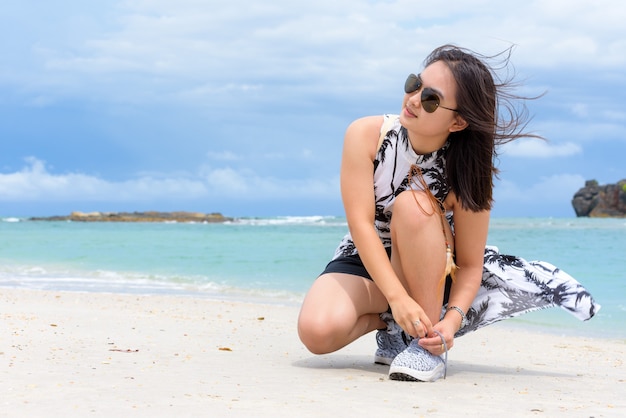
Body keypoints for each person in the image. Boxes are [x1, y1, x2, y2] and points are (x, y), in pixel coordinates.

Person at [297, 44, 600, 382]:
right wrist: (396, 300)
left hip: (430, 265)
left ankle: (425, 346)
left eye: (430, 99)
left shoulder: (468, 171)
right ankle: (395, 324)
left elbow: (470, 264)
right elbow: (361, 225)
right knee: (317, 332)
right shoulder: (367, 136)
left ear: (458, 121)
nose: (413, 99)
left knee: (414, 203)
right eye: (414, 84)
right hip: (367, 254)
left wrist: (451, 322)